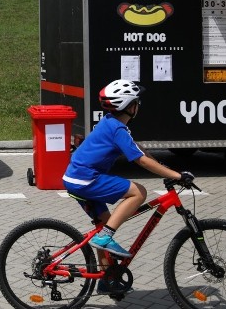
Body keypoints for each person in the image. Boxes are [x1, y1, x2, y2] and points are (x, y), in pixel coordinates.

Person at [62, 80, 190, 292]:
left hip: (77, 178)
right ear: (130, 106)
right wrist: (177, 176)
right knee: (138, 192)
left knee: (102, 227)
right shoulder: (117, 129)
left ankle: (106, 281)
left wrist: (164, 168)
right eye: (137, 102)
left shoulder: (112, 123)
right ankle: (106, 237)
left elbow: (138, 151)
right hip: (86, 180)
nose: (139, 106)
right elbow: (141, 161)